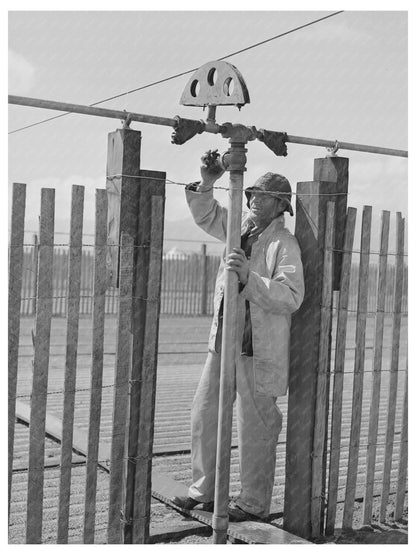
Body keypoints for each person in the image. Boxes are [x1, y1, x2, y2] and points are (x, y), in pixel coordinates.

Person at [172, 150, 305, 522]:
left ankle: (252, 503)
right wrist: (208, 181)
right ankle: (205, 489)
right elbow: (207, 214)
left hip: (257, 348)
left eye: (262, 196)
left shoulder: (284, 245)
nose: (252, 200)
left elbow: (292, 295)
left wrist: (250, 277)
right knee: (205, 411)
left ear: (281, 205)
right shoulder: (240, 227)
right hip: (225, 338)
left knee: (256, 423)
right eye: (252, 194)